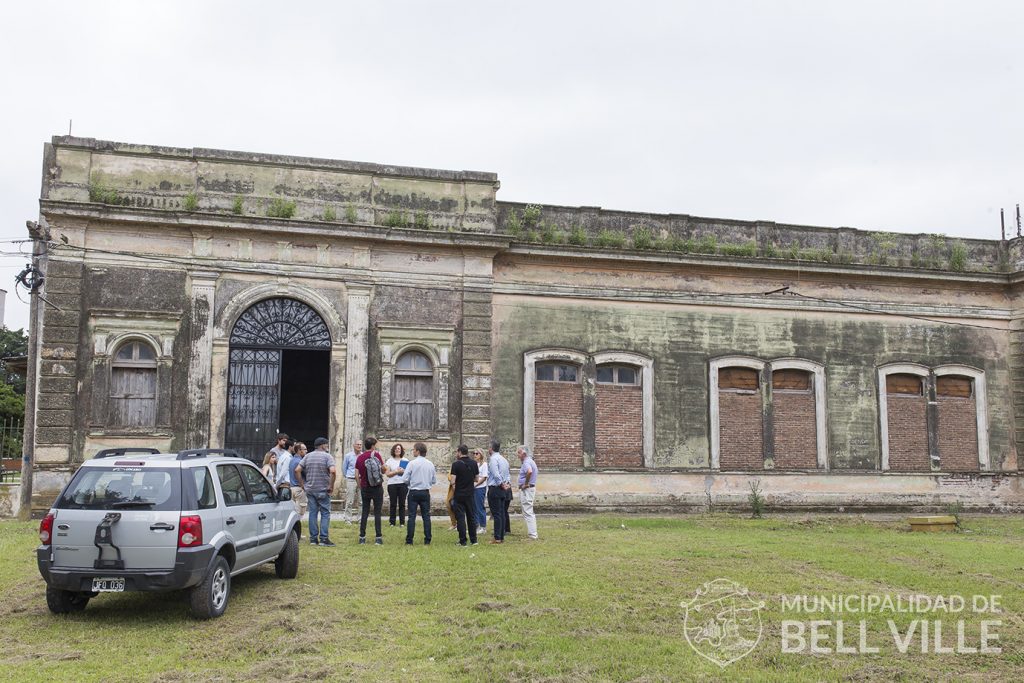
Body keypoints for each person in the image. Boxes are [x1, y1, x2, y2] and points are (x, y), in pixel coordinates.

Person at [295, 437, 337, 547]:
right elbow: (333, 471)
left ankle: (313, 539)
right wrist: (331, 486)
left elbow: (297, 470)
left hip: (310, 489)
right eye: (326, 444)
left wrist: (302, 484)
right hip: (323, 489)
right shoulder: (328, 456)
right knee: (325, 513)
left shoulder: (307, 456)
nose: (327, 446)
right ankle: (323, 539)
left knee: (313, 513)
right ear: (322, 445)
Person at [404, 442, 436, 545]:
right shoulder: (430, 464)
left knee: (411, 516)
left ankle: (409, 540)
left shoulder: (412, 463)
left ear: (418, 451)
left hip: (413, 491)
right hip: (425, 491)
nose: (413, 451)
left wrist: (411, 482)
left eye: (414, 450)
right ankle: (427, 540)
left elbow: (405, 479)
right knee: (426, 516)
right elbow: (434, 480)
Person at [355, 437, 385, 545]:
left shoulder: (360, 457)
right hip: (377, 487)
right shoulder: (376, 455)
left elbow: (356, 475)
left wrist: (360, 486)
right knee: (377, 512)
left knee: (365, 512)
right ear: (372, 446)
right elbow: (383, 470)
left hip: (365, 487)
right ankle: (378, 537)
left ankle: (362, 537)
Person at [449, 445, 479, 546]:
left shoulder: (456, 464)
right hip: (470, 494)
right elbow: (476, 479)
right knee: (471, 517)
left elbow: (453, 480)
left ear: (460, 452)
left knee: (460, 518)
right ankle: (474, 540)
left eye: (457, 452)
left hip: (459, 494)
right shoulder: (474, 463)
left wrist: (455, 488)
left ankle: (463, 541)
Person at [486, 439, 511, 544]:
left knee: (496, 514)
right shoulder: (504, 459)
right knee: (501, 513)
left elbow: (496, 474)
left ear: (491, 448)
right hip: (503, 489)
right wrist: (506, 484)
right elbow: (508, 474)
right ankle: (501, 536)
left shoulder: (493, 459)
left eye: (488, 447)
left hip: (495, 488)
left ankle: (497, 538)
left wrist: (501, 483)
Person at [516, 444, 539, 540]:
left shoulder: (526, 462)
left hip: (527, 489)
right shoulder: (531, 461)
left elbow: (529, 471)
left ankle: (533, 535)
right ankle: (532, 534)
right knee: (528, 511)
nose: (517, 454)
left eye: (519, 452)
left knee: (528, 512)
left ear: (524, 453)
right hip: (530, 488)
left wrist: (525, 483)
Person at [385, 444, 409, 527]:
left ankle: (402, 522)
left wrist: (403, 472)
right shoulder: (389, 461)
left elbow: (408, 474)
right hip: (392, 484)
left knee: (402, 504)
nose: (397, 450)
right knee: (393, 504)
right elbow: (387, 474)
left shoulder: (405, 460)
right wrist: (396, 471)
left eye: (399, 448)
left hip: (403, 484)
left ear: (401, 450)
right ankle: (392, 522)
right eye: (396, 448)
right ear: (393, 450)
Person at [341, 440, 361, 523]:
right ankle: (348, 519)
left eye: (360, 444)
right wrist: (348, 476)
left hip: (360, 479)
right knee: (349, 501)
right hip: (351, 479)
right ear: (353, 445)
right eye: (357, 444)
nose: (359, 446)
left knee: (361, 501)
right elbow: (344, 468)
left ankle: (360, 519)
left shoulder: (363, 455)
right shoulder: (348, 456)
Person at [289, 441, 308, 516]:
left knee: (294, 511)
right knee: (300, 512)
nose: (307, 451)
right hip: (299, 488)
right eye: (305, 449)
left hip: (292, 488)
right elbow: (306, 474)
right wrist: (302, 485)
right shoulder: (300, 462)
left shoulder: (292, 460)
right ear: (300, 450)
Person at [472, 448, 488, 534]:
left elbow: (484, 477)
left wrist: (476, 485)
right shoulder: (474, 464)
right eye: (473, 453)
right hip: (474, 488)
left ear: (481, 455)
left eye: (477, 453)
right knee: (474, 507)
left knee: (479, 507)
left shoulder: (484, 464)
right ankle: (476, 526)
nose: (475, 455)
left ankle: (483, 526)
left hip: (480, 488)